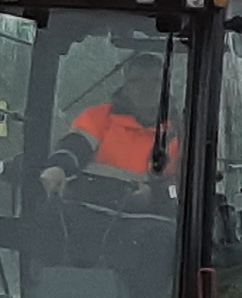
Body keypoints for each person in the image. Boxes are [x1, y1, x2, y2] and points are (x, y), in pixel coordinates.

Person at [42, 50, 176, 201]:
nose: (146, 88)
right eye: (137, 80)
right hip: (88, 208)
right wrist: (58, 167)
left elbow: (180, 189)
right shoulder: (98, 118)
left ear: (167, 87)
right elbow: (75, 146)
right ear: (125, 87)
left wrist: (155, 196)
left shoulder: (182, 133)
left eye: (156, 81)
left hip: (153, 215)